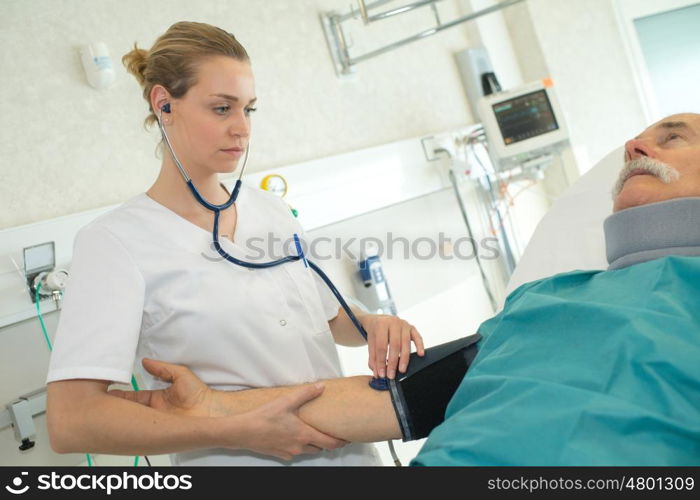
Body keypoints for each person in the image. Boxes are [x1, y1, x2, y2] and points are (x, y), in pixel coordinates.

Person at [112, 113, 700, 465]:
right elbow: (388, 399)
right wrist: (209, 409)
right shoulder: (547, 298)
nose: (636, 147)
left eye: (674, 137)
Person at [45, 21, 425, 466]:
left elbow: (330, 316)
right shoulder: (115, 243)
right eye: (222, 109)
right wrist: (236, 431)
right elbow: (71, 421)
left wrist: (373, 323)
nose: (242, 129)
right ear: (164, 104)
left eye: (249, 109)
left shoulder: (271, 211)